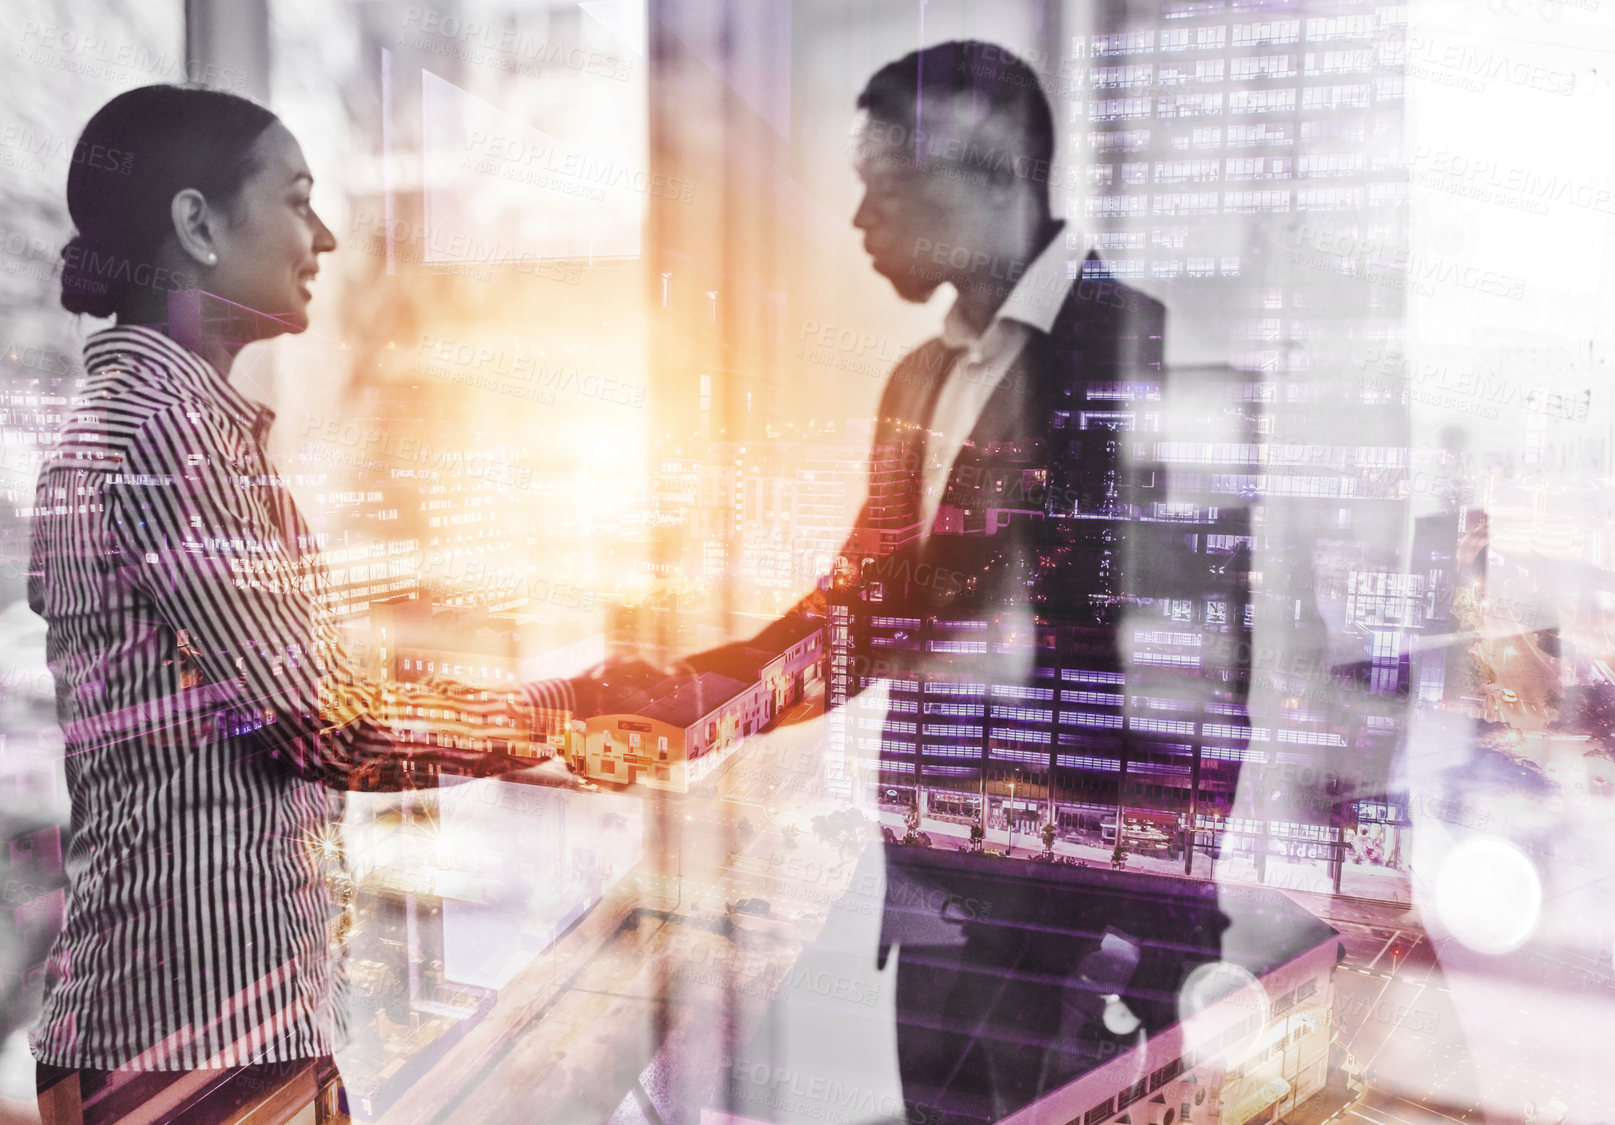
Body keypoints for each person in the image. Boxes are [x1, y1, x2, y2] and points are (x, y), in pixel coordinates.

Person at [689, 40, 1256, 1108]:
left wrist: (1138, 925)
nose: (859, 217)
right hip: (940, 889)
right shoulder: (920, 375)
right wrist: (704, 686)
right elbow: (865, 598)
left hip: (1086, 924)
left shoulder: (1141, 345)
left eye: (886, 184)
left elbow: (1200, 664)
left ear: (996, 170)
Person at [27, 85, 598, 1121]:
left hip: (187, 1036)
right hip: (192, 1050)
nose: (324, 236)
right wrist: (568, 707)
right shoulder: (164, 434)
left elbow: (295, 695)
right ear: (198, 224)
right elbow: (326, 728)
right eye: (296, 199)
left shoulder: (141, 421)